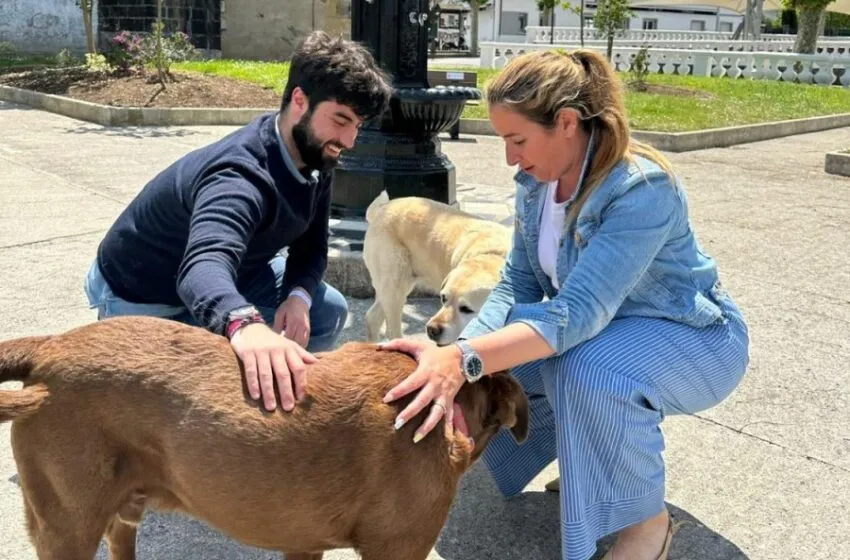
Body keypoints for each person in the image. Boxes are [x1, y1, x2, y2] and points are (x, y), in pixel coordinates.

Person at [380, 49, 749, 560]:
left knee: (583, 369)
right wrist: (463, 352)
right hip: (607, 332)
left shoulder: (642, 189)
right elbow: (516, 285)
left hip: (693, 339)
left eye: (518, 140)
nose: (510, 158)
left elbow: (577, 314)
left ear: (568, 123)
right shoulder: (537, 184)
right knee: (504, 361)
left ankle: (648, 524)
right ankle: (593, 475)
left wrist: (464, 359)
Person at [84, 31, 393, 414]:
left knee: (323, 309)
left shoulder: (314, 153)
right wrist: (246, 326)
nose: (349, 140)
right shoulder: (239, 176)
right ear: (300, 100)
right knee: (173, 419)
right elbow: (202, 268)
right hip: (145, 291)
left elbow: (311, 247)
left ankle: (271, 406)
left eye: (357, 125)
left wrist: (297, 297)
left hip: (236, 271)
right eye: (341, 120)